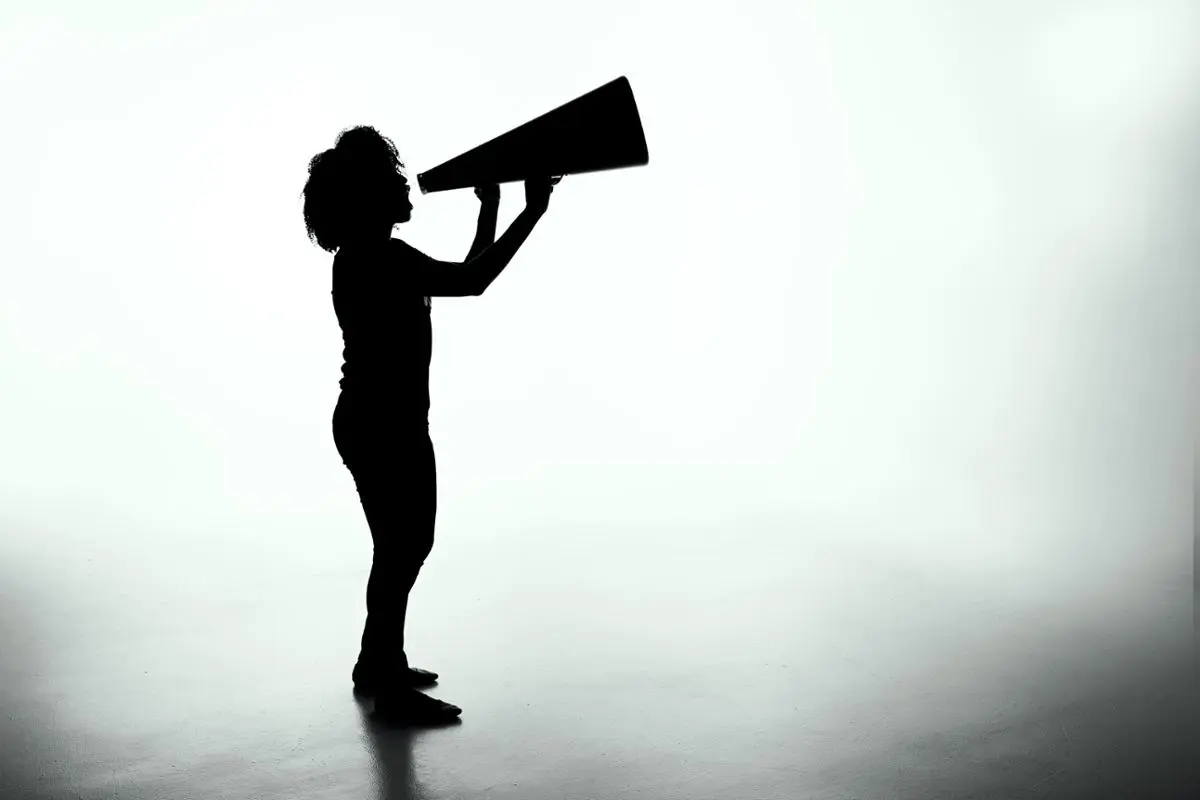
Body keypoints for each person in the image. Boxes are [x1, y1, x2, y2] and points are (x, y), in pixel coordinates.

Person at [302, 125, 559, 724]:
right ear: (371, 200)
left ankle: (376, 663)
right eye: (396, 181)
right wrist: (533, 211)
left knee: (396, 549)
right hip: (385, 426)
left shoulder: (368, 258)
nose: (408, 188)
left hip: (372, 422)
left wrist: (492, 207)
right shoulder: (380, 259)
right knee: (404, 548)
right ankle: (388, 686)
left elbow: (466, 271)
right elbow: (474, 281)